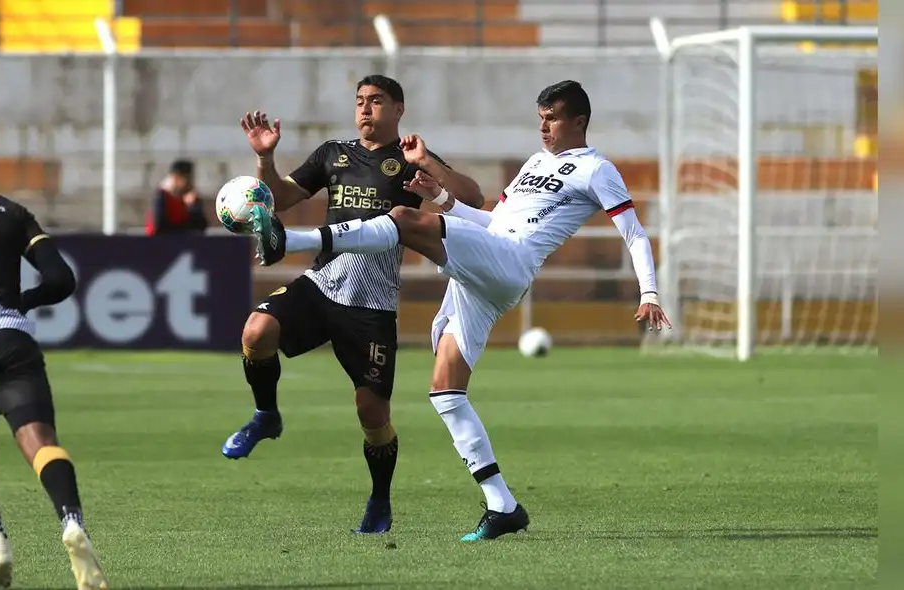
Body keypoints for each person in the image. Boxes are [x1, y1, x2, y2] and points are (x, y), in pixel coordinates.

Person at [251, 80, 672, 541]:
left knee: (401, 219)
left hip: (509, 263)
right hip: (487, 263)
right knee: (446, 392)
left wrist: (648, 292)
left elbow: (633, 233)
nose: (544, 127)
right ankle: (503, 505)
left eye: (551, 119)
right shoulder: (535, 164)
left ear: (578, 121)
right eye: (540, 118)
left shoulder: (597, 169)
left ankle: (289, 241)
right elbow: (492, 220)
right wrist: (443, 199)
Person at [224, 74, 485, 535]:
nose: (365, 109)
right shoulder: (332, 154)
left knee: (373, 415)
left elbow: (472, 199)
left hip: (372, 304)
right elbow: (281, 199)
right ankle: (266, 415)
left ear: (399, 109)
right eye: (360, 101)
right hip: (322, 283)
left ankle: (380, 499)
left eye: (377, 101)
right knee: (255, 332)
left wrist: (427, 163)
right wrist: (265, 158)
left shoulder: (408, 161)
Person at [0, 194, 107, 588]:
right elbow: (61, 280)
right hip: (12, 337)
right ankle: (72, 523)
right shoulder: (10, 212)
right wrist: (23, 302)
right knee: (40, 442)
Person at [145, 159, 208, 235]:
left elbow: (201, 227)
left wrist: (193, 207)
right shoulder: (161, 196)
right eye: (186, 178)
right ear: (176, 178)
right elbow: (159, 227)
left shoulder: (191, 199)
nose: (190, 183)